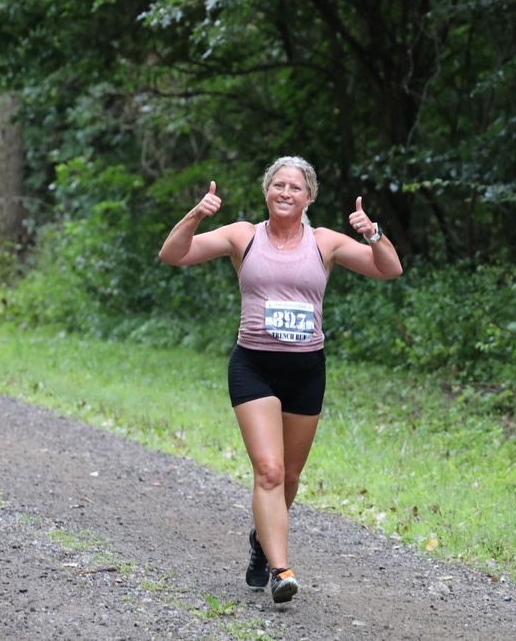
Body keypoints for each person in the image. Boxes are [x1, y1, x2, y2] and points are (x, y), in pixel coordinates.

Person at [158, 156, 402, 604]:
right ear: (266, 192)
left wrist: (373, 232)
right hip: (254, 366)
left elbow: (389, 269)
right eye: (278, 185)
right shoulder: (242, 236)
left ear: (309, 197)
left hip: (307, 371)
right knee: (268, 471)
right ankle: (280, 569)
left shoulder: (325, 241)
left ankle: (260, 542)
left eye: (295, 187)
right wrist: (195, 215)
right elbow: (173, 254)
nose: (285, 193)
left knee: (288, 476)